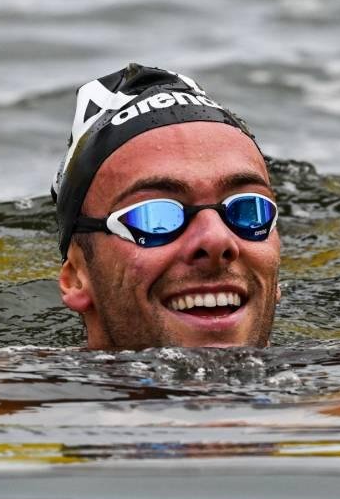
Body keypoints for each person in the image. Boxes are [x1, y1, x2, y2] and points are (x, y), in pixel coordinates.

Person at [51, 64, 281, 349]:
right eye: (155, 215)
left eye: (249, 209)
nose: (216, 239)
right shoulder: (3, 385)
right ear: (76, 276)